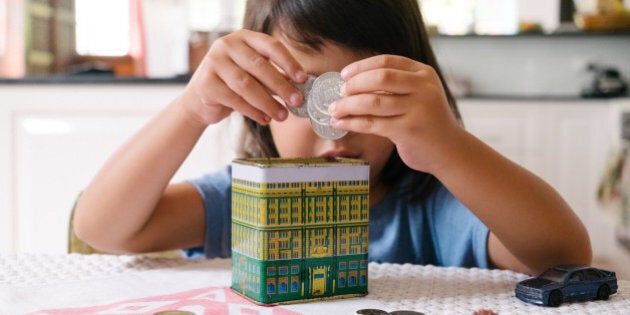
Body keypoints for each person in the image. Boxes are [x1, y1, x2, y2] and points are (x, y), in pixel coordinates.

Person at [73, 0, 591, 275]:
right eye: (303, 95)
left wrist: (448, 146)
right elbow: (103, 230)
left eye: (371, 97)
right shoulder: (246, 200)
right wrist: (191, 109)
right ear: (255, 105)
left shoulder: (437, 207)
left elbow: (563, 255)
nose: (338, 123)